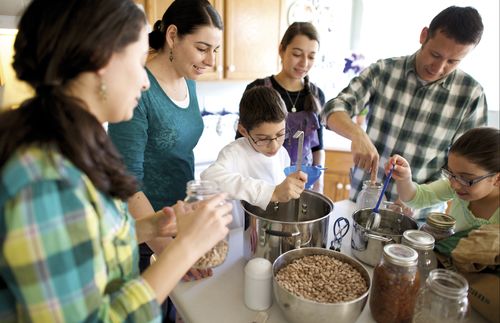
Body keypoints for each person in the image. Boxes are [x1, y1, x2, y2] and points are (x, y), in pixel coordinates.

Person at [0, 0, 232, 321]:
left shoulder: (76, 145)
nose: (145, 80)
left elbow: (93, 243)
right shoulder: (45, 181)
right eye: (138, 62)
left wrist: (154, 225)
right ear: (100, 61)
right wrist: (184, 249)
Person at [321, 6, 487, 214]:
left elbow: (467, 170)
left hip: (420, 220)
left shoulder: (471, 95)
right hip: (362, 206)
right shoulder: (383, 71)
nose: (438, 67)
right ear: (424, 35)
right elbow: (331, 109)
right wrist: (357, 134)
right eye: (435, 54)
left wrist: (416, 198)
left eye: (452, 61)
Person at [107, 0, 223, 277]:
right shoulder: (137, 91)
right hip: (146, 235)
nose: (211, 61)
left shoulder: (189, 80)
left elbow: (179, 156)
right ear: (172, 36)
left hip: (181, 220)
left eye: (215, 50)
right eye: (202, 49)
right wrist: (168, 251)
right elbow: (128, 187)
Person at [201, 86, 307, 228]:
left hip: (271, 229)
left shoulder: (282, 154)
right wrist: (271, 192)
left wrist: (290, 188)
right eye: (263, 139)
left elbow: (282, 193)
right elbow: (209, 178)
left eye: (280, 134)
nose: (274, 145)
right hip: (241, 232)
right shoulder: (235, 152)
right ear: (243, 131)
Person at [242, 22, 325, 191]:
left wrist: (319, 185)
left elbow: (318, 148)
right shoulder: (258, 90)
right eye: (297, 54)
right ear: (281, 50)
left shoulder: (317, 94)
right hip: (265, 186)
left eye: (311, 57)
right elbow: (242, 143)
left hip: (303, 186)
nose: (304, 63)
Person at [388, 127, 499, 232]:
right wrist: (404, 179)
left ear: (497, 179)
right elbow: (416, 197)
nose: (454, 185)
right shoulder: (454, 186)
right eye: (450, 173)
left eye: (466, 179)